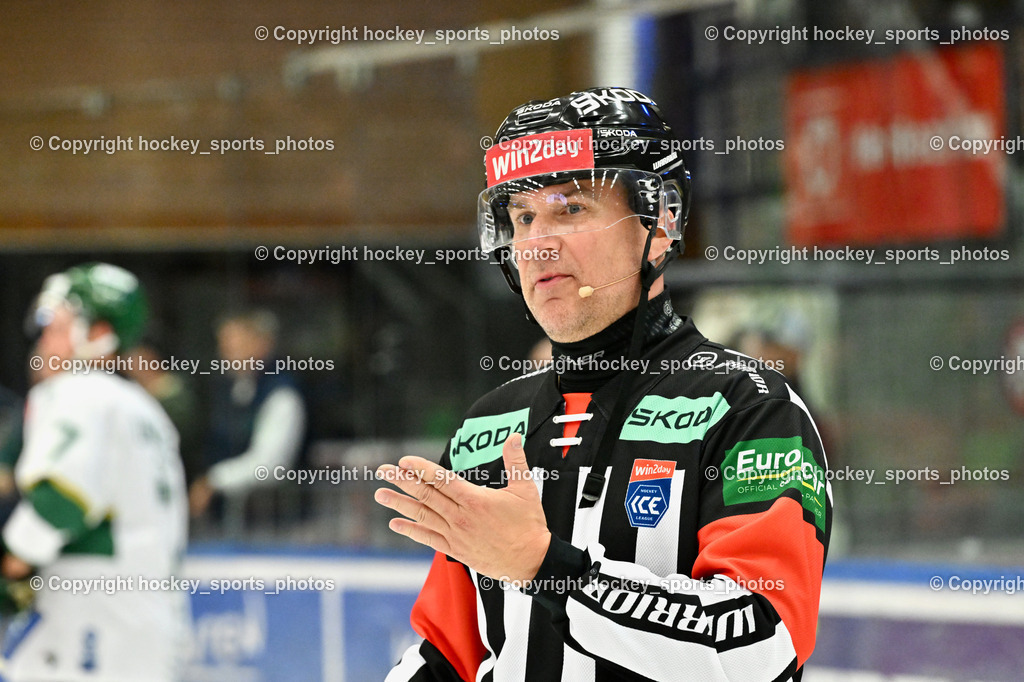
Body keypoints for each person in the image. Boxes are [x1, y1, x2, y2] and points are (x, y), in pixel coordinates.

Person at [376, 87, 832, 681]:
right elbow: (449, 656)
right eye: (522, 217)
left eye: (570, 208)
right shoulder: (488, 425)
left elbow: (757, 649)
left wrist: (548, 568)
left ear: (661, 222)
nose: (536, 243)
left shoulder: (749, 408)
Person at [0, 263, 188, 681]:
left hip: (93, 614)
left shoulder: (78, 393)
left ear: (99, 335)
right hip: (144, 607)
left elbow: (63, 500)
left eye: (57, 325)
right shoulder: (143, 408)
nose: (44, 338)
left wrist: (13, 558)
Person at [189, 309, 306, 519]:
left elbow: (269, 465)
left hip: (276, 522)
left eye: (236, 343)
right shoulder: (225, 388)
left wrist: (213, 480)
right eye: (223, 344)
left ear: (263, 344)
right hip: (229, 522)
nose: (226, 351)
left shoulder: (281, 394)